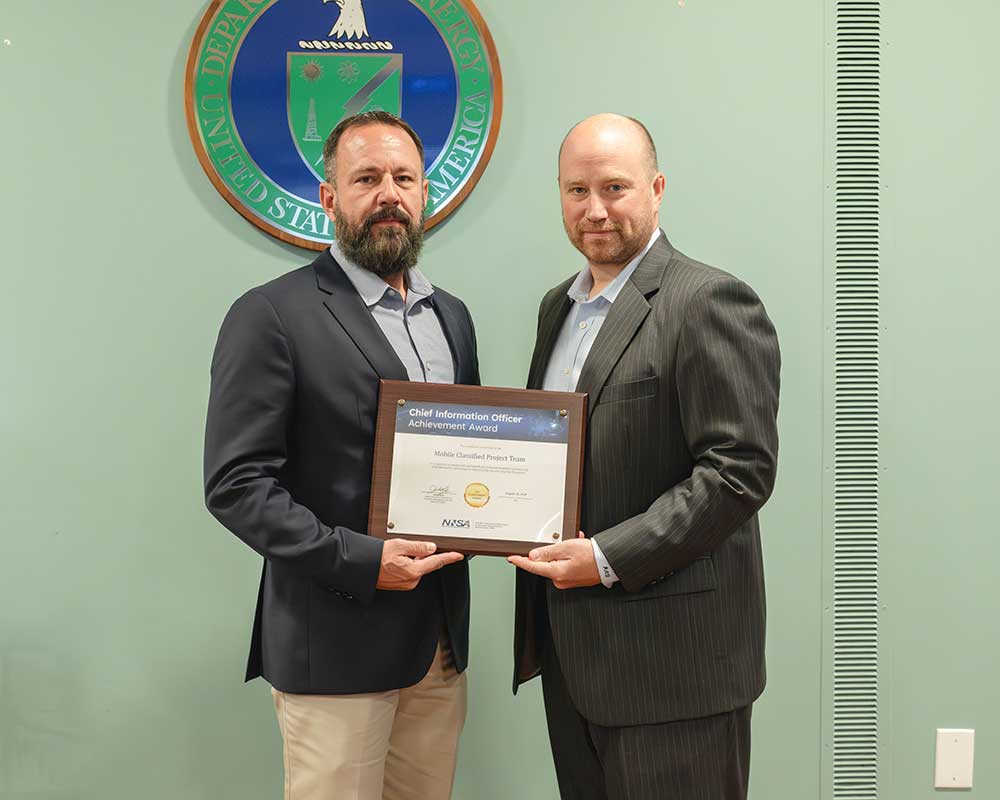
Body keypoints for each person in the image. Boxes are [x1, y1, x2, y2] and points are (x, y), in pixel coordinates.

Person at [204, 110, 479, 800]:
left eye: (404, 177)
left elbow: (470, 458)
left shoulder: (453, 317)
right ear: (329, 199)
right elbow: (236, 484)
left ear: (424, 195)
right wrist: (363, 561)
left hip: (437, 647)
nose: (388, 192)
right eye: (366, 178)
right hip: (331, 646)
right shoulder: (271, 315)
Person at [509, 113, 781, 800]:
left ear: (655, 189)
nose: (594, 209)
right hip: (575, 658)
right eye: (576, 191)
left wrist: (603, 558)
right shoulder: (557, 310)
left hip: (675, 669)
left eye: (615, 188)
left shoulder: (706, 300)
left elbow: (738, 470)